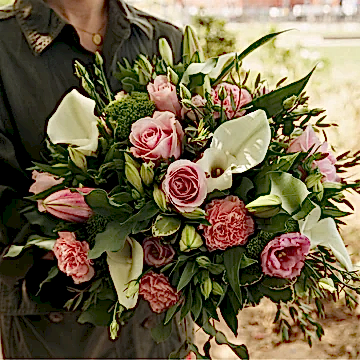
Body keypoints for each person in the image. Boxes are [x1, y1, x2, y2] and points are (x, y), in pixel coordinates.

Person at [0, 0, 184, 357]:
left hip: (158, 333)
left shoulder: (165, 40)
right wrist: (99, 231)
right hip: (57, 331)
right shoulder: (4, 45)